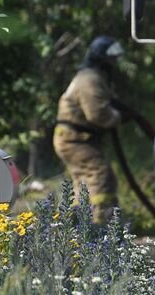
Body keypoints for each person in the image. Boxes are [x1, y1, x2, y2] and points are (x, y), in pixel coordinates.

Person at [54, 36, 125, 225]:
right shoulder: (90, 79)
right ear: (101, 58)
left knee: (83, 183)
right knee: (99, 174)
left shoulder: (94, 77)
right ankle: (99, 225)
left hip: (75, 138)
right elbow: (98, 114)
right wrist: (117, 117)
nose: (114, 62)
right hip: (74, 140)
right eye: (111, 57)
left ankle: (78, 226)